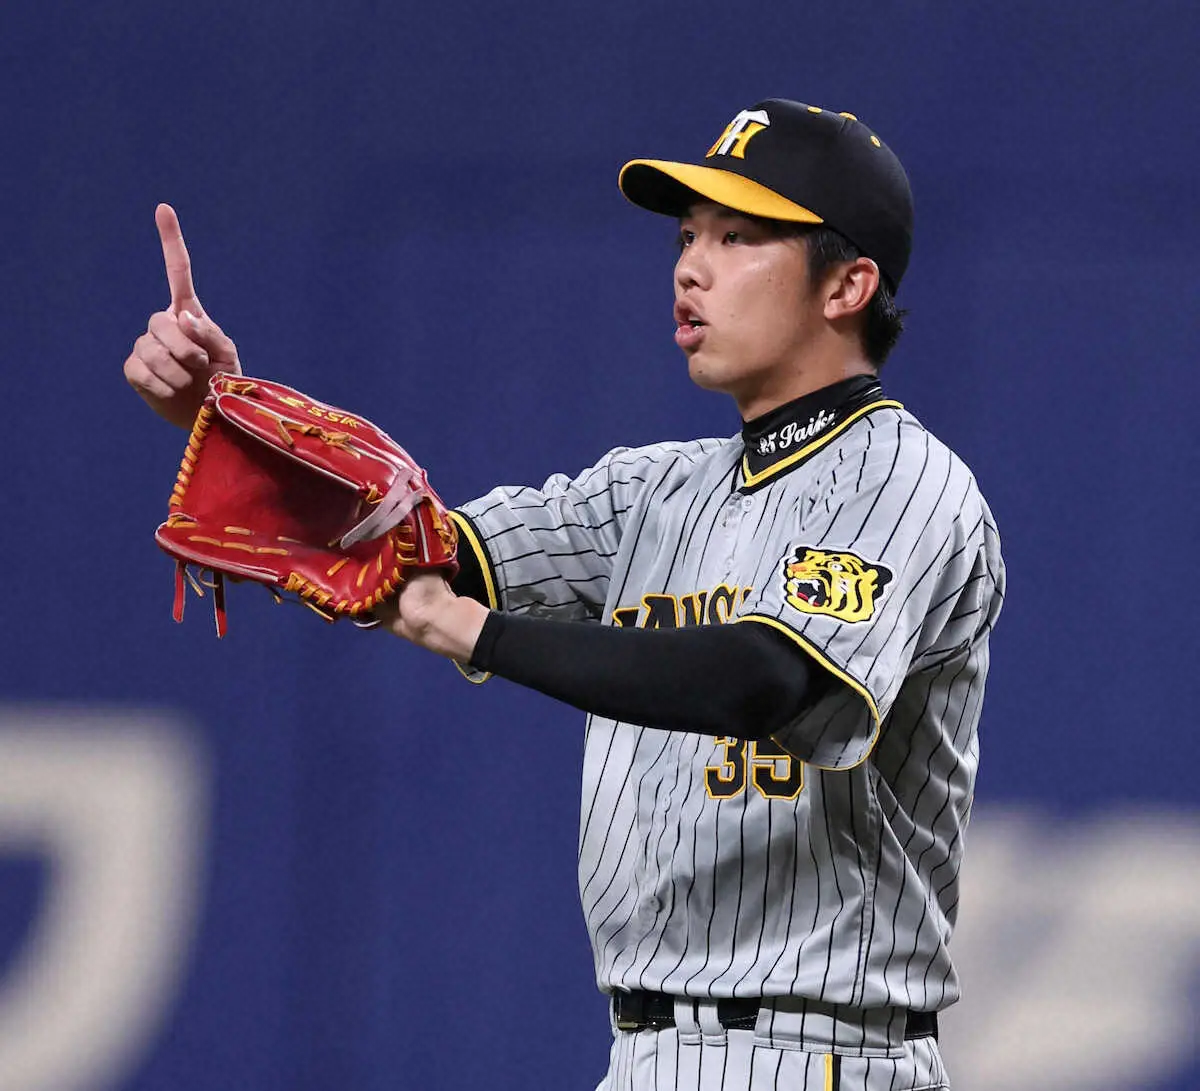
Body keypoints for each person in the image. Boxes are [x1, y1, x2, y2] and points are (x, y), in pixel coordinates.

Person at [125, 97, 1004, 1091]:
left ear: (848, 283)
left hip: (824, 1051)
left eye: (738, 236)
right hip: (646, 1052)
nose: (691, 266)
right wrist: (226, 418)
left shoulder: (903, 479)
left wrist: (479, 633)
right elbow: (412, 553)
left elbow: (766, 677)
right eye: (688, 235)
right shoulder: (650, 493)